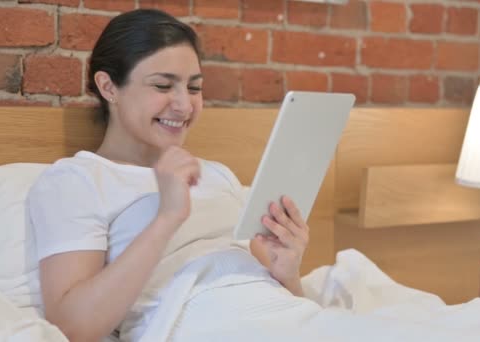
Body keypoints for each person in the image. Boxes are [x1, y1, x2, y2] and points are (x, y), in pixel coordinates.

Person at [26, 9, 315, 342]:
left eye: (194, 88)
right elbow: (71, 328)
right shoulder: (77, 181)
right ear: (108, 87)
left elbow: (279, 301)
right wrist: (168, 217)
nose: (184, 105)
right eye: (163, 85)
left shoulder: (218, 176)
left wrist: (288, 273)